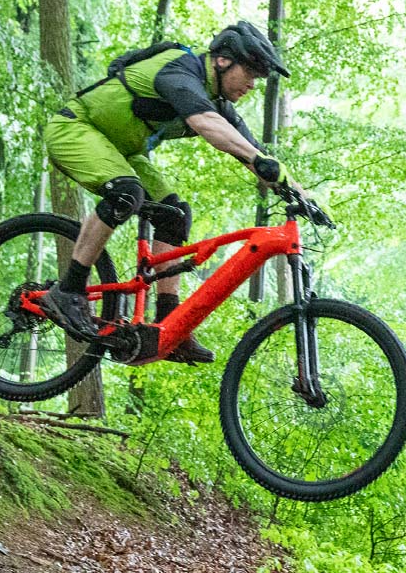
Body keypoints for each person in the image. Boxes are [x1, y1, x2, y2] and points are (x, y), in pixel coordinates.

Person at [42, 20, 302, 363]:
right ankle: (68, 290)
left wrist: (300, 195)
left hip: (122, 150)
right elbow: (205, 124)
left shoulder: (217, 101)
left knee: (175, 215)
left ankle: (169, 327)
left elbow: (257, 155)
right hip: (76, 129)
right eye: (250, 72)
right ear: (223, 60)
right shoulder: (179, 71)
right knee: (125, 193)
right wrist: (259, 161)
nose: (253, 84)